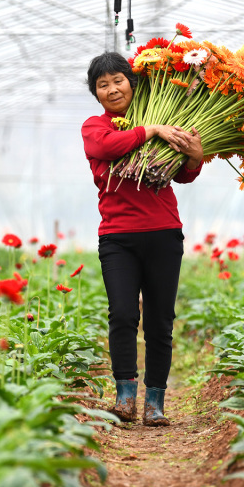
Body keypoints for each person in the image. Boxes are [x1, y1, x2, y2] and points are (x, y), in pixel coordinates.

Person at [81, 51, 203, 426]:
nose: (112, 89)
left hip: (164, 232)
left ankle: (155, 403)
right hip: (117, 237)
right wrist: (152, 130)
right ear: (96, 94)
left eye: (118, 80)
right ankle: (125, 397)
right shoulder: (95, 127)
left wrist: (195, 156)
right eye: (103, 85)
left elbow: (182, 174)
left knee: (159, 322)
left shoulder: (159, 117)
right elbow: (107, 148)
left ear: (132, 83)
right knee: (122, 314)